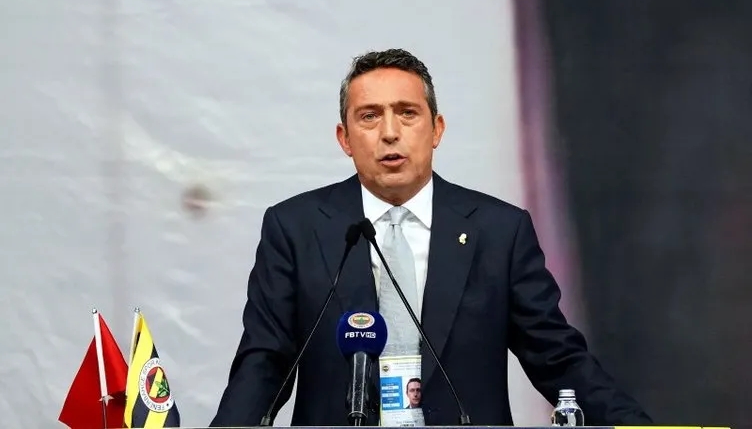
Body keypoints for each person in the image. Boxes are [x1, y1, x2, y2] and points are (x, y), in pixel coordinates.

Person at [209, 48, 652, 426]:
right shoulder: (296, 227)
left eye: (407, 113)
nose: (389, 133)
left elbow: (556, 357)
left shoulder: (498, 231)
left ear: (436, 129)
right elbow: (264, 364)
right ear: (344, 138)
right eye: (369, 116)